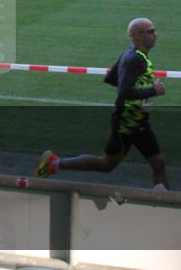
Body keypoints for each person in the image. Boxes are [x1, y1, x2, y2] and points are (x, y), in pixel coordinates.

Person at [35, 18, 169, 189]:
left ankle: (163, 200)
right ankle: (54, 164)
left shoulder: (132, 54)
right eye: (150, 31)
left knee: (157, 163)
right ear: (137, 36)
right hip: (127, 124)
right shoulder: (135, 59)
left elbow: (112, 78)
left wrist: (139, 97)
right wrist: (153, 91)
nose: (155, 34)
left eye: (154, 31)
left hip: (137, 120)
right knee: (106, 164)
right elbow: (124, 92)